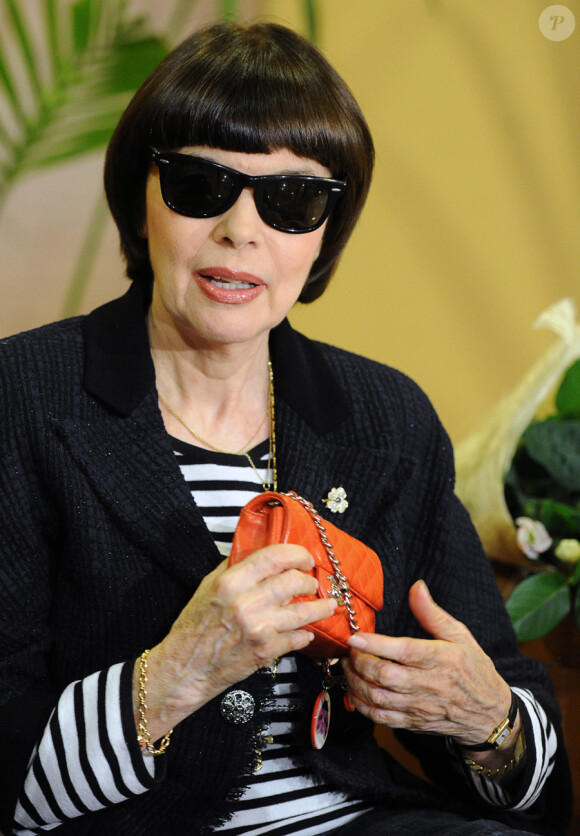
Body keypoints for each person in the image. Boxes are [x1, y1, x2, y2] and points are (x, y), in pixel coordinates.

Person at [0, 21, 572, 836]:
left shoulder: (387, 417)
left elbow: (525, 773)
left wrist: (489, 725)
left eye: (292, 200)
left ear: (326, 235)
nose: (242, 229)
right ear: (141, 198)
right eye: (201, 186)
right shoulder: (23, 396)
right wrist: (172, 675)